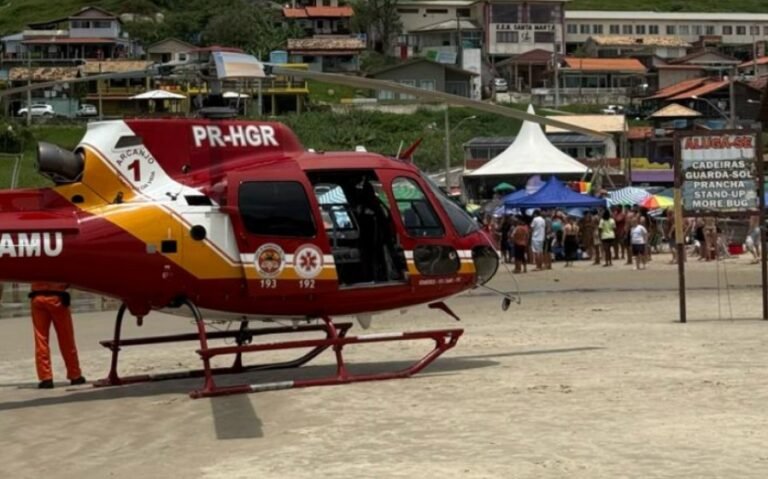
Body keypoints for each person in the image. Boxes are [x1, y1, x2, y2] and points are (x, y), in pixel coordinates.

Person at [29, 282, 85, 389]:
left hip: (37, 297)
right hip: (57, 298)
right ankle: (75, 375)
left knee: (41, 339)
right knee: (66, 338)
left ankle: (46, 378)